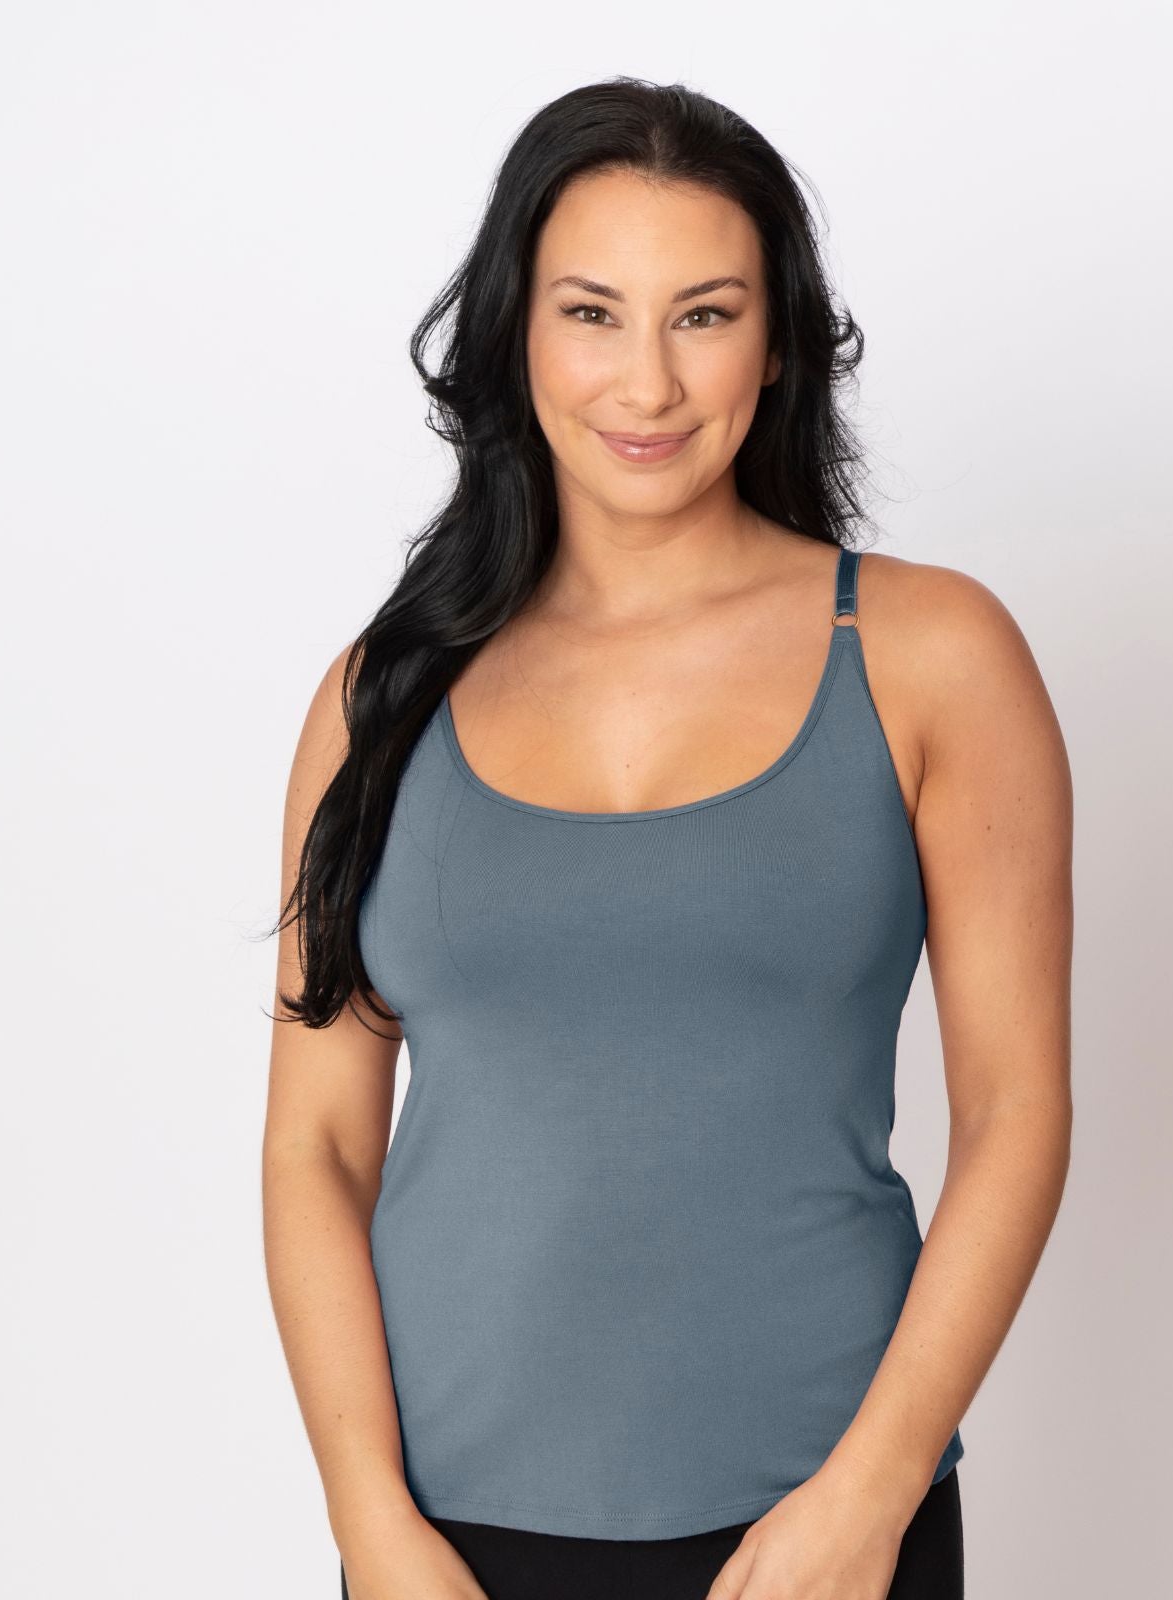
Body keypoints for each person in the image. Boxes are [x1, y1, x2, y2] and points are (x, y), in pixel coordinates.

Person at [262, 77, 1073, 1600]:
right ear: (516, 333)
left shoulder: (930, 656)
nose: (648, 381)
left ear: (778, 345)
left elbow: (1017, 1110)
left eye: (704, 315)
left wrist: (873, 1494)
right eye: (592, 312)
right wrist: (369, 1522)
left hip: (819, 1527)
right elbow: (317, 1145)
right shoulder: (382, 695)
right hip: (443, 1541)